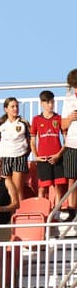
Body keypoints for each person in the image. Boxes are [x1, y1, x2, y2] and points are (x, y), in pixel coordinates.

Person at [32, 89, 69, 207]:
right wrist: (36, 156)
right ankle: (40, 211)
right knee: (42, 188)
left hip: (58, 158)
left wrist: (59, 154)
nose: (50, 105)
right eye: (48, 102)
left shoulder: (58, 118)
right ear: (42, 103)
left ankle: (57, 213)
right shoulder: (36, 119)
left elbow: (66, 140)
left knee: (58, 188)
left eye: (52, 102)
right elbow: (33, 140)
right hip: (43, 159)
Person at [0, 98, 31, 202]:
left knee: (17, 189)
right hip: (5, 158)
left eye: (17, 106)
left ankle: (19, 214)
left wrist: (24, 154)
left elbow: (30, 142)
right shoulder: (0, 125)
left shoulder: (23, 123)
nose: (15, 109)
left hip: (19, 157)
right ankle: (8, 215)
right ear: (6, 109)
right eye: (12, 106)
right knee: (6, 189)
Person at [64, 69, 77, 211]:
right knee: (71, 178)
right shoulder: (69, 99)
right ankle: (72, 208)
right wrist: (70, 118)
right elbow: (62, 124)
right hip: (72, 143)